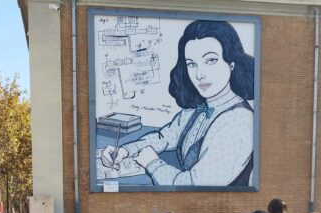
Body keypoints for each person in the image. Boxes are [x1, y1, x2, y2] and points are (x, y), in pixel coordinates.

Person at [101, 20, 255, 187]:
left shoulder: (239, 121)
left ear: (231, 63)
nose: (200, 74)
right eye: (191, 64)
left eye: (210, 60)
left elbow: (195, 184)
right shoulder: (198, 108)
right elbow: (164, 138)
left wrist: (152, 163)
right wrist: (125, 150)